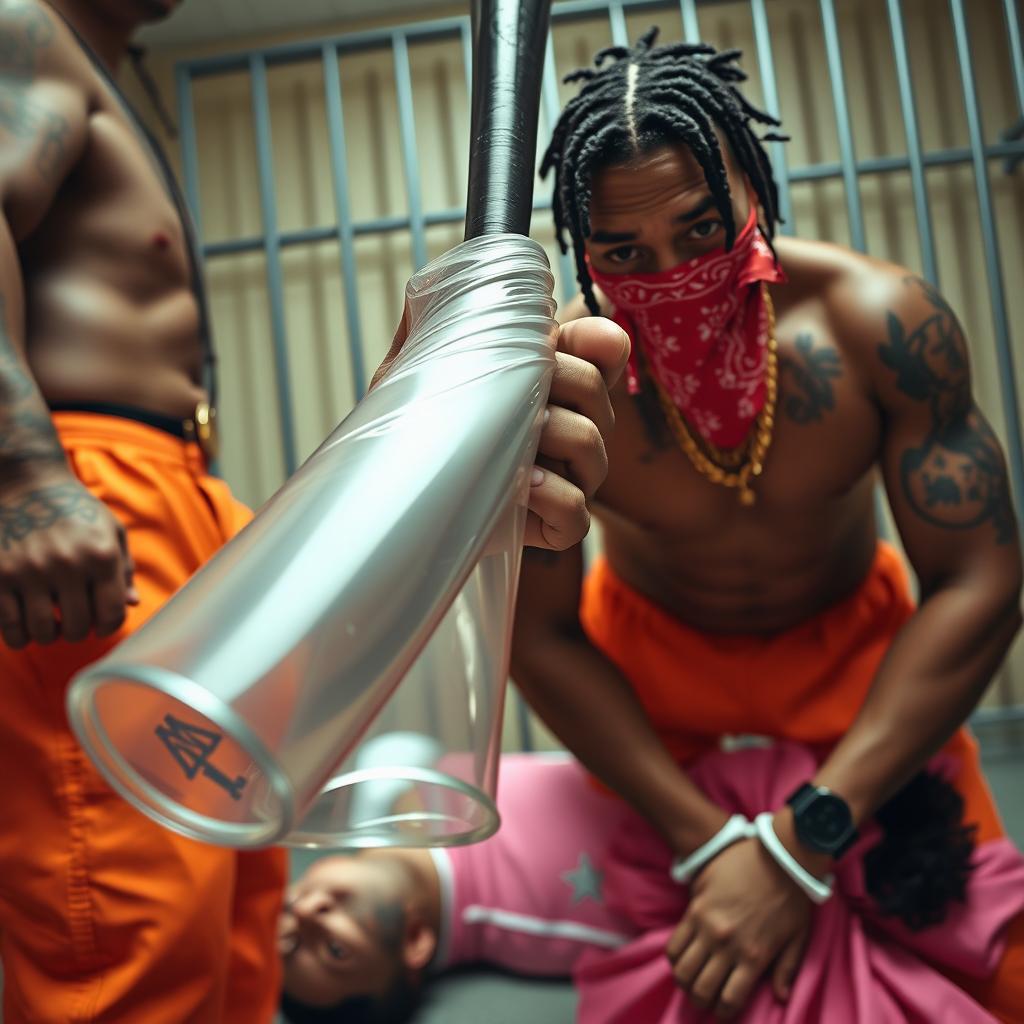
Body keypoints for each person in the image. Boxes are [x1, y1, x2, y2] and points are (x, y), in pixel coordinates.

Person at [0, 1, 629, 1021]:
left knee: (235, 901)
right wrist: (20, 471)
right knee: (129, 922)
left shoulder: (113, 78)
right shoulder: (21, 27)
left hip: (176, 494)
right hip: (85, 490)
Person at [511, 28, 1024, 1023]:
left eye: (703, 230)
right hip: (654, 706)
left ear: (753, 186)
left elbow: (981, 581)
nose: (675, 274)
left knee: (994, 973)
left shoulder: (878, 325)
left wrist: (803, 838)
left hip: (864, 675)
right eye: (624, 254)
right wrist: (709, 840)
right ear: (580, 252)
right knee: (699, 994)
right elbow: (537, 635)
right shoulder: (566, 387)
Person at [277, 753, 633, 1023]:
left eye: (290, 927)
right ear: (415, 940)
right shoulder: (525, 921)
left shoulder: (396, 795)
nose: (308, 911)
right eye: (335, 949)